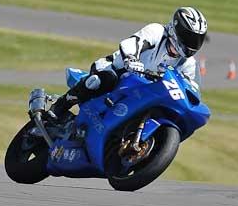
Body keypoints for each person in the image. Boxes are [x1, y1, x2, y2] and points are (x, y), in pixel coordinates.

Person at [47, 6, 208, 123]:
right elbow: (133, 43)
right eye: (189, 36)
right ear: (176, 29)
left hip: (144, 92)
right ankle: (59, 107)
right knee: (102, 80)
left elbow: (192, 88)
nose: (192, 43)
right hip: (118, 71)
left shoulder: (188, 63)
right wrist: (131, 58)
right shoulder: (157, 32)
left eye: (197, 39)